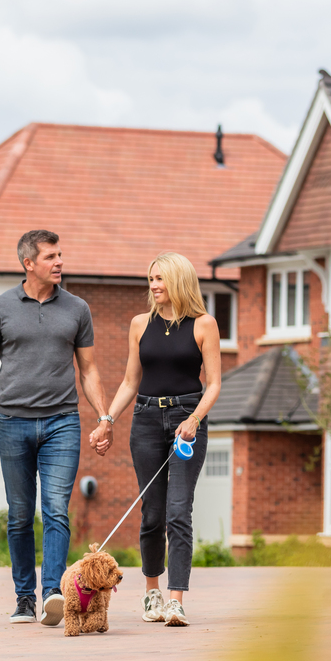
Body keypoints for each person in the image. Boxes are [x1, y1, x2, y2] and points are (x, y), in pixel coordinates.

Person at [0, 230, 113, 626]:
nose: (60, 262)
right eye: (51, 256)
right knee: (19, 514)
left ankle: (52, 592)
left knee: (55, 510)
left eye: (61, 254)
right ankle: (23, 598)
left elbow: (89, 369)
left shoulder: (77, 309)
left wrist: (104, 416)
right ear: (28, 263)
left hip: (62, 423)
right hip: (12, 423)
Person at [104, 251, 221, 625]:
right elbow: (129, 382)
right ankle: (152, 593)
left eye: (160, 279)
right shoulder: (140, 324)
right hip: (145, 419)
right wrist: (107, 419)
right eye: (151, 279)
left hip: (188, 418)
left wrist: (195, 418)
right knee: (152, 512)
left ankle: (176, 600)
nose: (153, 286)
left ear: (179, 281)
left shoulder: (204, 324)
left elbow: (215, 384)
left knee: (178, 510)